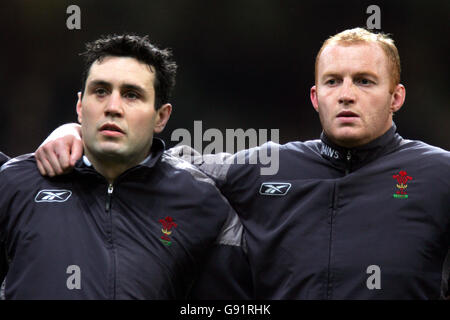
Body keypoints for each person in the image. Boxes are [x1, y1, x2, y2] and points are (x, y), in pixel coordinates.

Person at [37, 28, 449, 299]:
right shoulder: (267, 167)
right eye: (332, 81)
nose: (345, 94)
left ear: (396, 97)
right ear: (314, 96)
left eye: (364, 81)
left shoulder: (439, 175)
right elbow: (158, 164)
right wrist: (75, 133)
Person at [0, 34, 251, 299]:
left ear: (161, 117)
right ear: (80, 106)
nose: (112, 107)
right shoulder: (17, 182)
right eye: (100, 91)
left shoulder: (201, 199)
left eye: (131, 95)